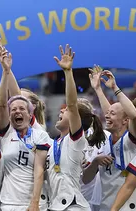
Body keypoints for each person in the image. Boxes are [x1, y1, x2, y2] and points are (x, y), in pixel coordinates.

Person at [46, 44, 105, 210]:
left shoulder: (76, 141)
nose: (62, 110)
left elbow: (72, 104)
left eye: (65, 111)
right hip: (55, 205)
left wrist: (67, 72)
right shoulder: (53, 144)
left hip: (72, 206)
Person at [0, 45, 50, 211]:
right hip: (9, 203)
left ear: (30, 110)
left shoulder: (38, 132)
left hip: (35, 203)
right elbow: (4, 103)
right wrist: (6, 69)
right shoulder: (8, 130)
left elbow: (14, 94)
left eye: (21, 106)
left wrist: (34, 203)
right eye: (14, 108)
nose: (17, 109)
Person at [82, 70, 136, 210]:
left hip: (130, 207)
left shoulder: (132, 140)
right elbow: (85, 179)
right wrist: (98, 89)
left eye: (112, 114)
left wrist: (114, 88)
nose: (106, 116)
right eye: (107, 114)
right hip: (106, 206)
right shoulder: (104, 141)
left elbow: (134, 115)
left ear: (125, 121)